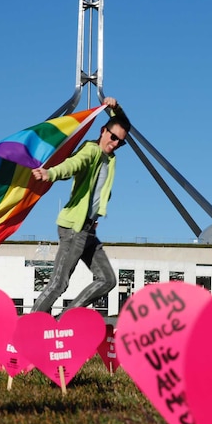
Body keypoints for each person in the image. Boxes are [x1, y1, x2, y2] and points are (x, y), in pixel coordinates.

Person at [30, 97, 130, 316]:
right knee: (59, 283)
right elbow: (73, 164)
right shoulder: (92, 151)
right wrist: (51, 173)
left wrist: (115, 108)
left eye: (120, 142)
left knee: (107, 279)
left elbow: (122, 124)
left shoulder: (109, 157)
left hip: (88, 231)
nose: (113, 144)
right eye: (112, 137)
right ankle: (27, 330)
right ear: (103, 131)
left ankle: (64, 320)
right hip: (74, 228)